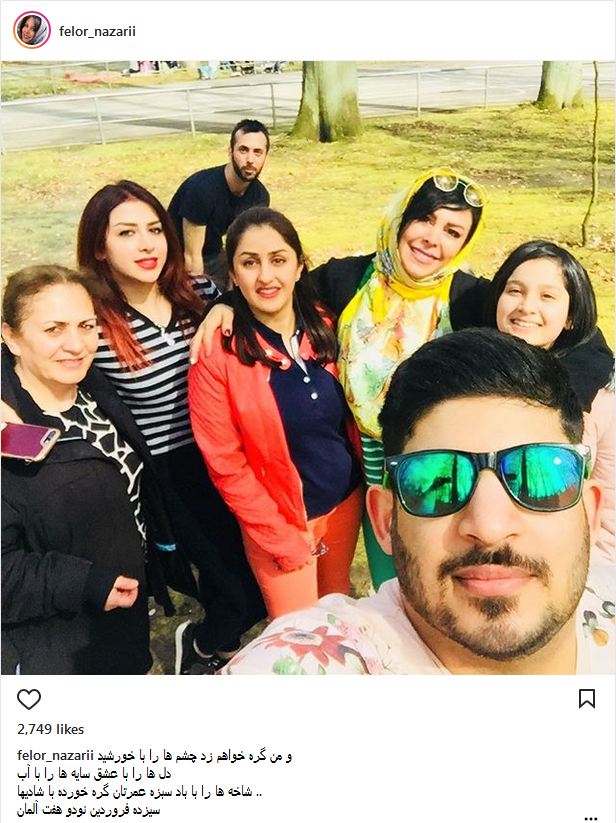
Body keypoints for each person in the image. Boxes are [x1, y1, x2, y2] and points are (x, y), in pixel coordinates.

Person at [220, 329, 614, 675]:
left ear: (591, 511)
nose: (489, 527)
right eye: (436, 482)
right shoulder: (314, 666)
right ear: (385, 520)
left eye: (538, 475)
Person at [196, 168, 486, 589]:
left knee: (442, 586)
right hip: (369, 478)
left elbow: (550, 330)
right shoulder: (348, 280)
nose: (432, 238)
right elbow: (276, 289)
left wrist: (580, 389)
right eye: (425, 219)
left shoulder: (469, 298)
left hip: (442, 477)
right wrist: (223, 305)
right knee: (391, 589)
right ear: (402, 218)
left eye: (452, 232)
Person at [76, 181, 265, 675]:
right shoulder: (92, 321)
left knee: (261, 571)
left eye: (155, 229)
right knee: (237, 587)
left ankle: (220, 641)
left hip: (233, 454)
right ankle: (203, 643)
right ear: (100, 246)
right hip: (172, 472)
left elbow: (258, 308)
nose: (147, 244)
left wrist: (228, 303)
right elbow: (28, 352)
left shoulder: (198, 293)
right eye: (127, 233)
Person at [1, 266, 190, 675]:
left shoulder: (92, 387)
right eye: (53, 329)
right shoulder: (7, 431)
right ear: (11, 337)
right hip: (54, 648)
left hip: (121, 614)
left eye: (86, 326)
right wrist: (84, 583)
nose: (76, 345)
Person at [188, 207, 364, 620]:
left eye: (278, 260)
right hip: (281, 522)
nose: (266, 276)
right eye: (250, 263)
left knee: (336, 611)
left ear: (299, 266)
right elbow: (225, 463)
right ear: (233, 275)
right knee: (298, 634)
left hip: (344, 504)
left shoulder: (324, 324)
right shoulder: (217, 353)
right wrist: (278, 535)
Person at [483, 240, 614, 564]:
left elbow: (611, 513)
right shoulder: (474, 377)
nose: (527, 306)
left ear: (571, 317)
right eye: (515, 291)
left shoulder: (599, 396)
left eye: (547, 296)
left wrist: (594, 579)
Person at [168, 119, 271, 291]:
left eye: (258, 152)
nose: (250, 159)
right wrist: (204, 299)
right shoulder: (201, 189)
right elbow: (192, 258)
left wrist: (235, 296)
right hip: (175, 258)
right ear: (230, 152)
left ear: (266, 156)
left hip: (213, 254)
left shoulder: (260, 196)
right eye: (243, 150)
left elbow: (244, 249)